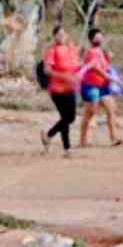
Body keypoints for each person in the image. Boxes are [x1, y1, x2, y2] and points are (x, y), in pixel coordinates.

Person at [78, 27, 123, 148]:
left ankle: (114, 138)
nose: (99, 37)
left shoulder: (101, 51)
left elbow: (105, 67)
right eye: (96, 36)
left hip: (102, 86)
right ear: (91, 39)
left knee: (111, 109)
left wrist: (108, 58)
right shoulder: (91, 52)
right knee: (90, 113)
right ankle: (83, 139)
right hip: (90, 86)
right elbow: (97, 69)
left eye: (100, 35)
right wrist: (112, 79)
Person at [40, 25, 82, 156]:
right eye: (58, 34)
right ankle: (66, 149)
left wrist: (79, 74)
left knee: (70, 118)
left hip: (70, 88)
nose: (61, 37)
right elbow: (47, 70)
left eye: (63, 34)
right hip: (57, 90)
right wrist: (64, 76)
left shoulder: (72, 49)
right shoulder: (52, 50)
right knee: (66, 117)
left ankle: (48, 135)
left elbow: (77, 66)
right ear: (54, 36)